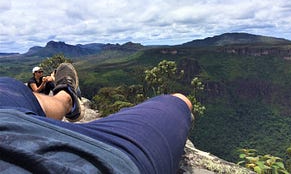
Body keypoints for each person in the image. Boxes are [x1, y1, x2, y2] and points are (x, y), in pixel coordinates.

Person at [0, 63, 193, 173]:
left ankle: (66, 99)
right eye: (38, 72)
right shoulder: (35, 82)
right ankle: (66, 97)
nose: (39, 74)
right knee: (179, 101)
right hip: (99, 159)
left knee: (9, 85)